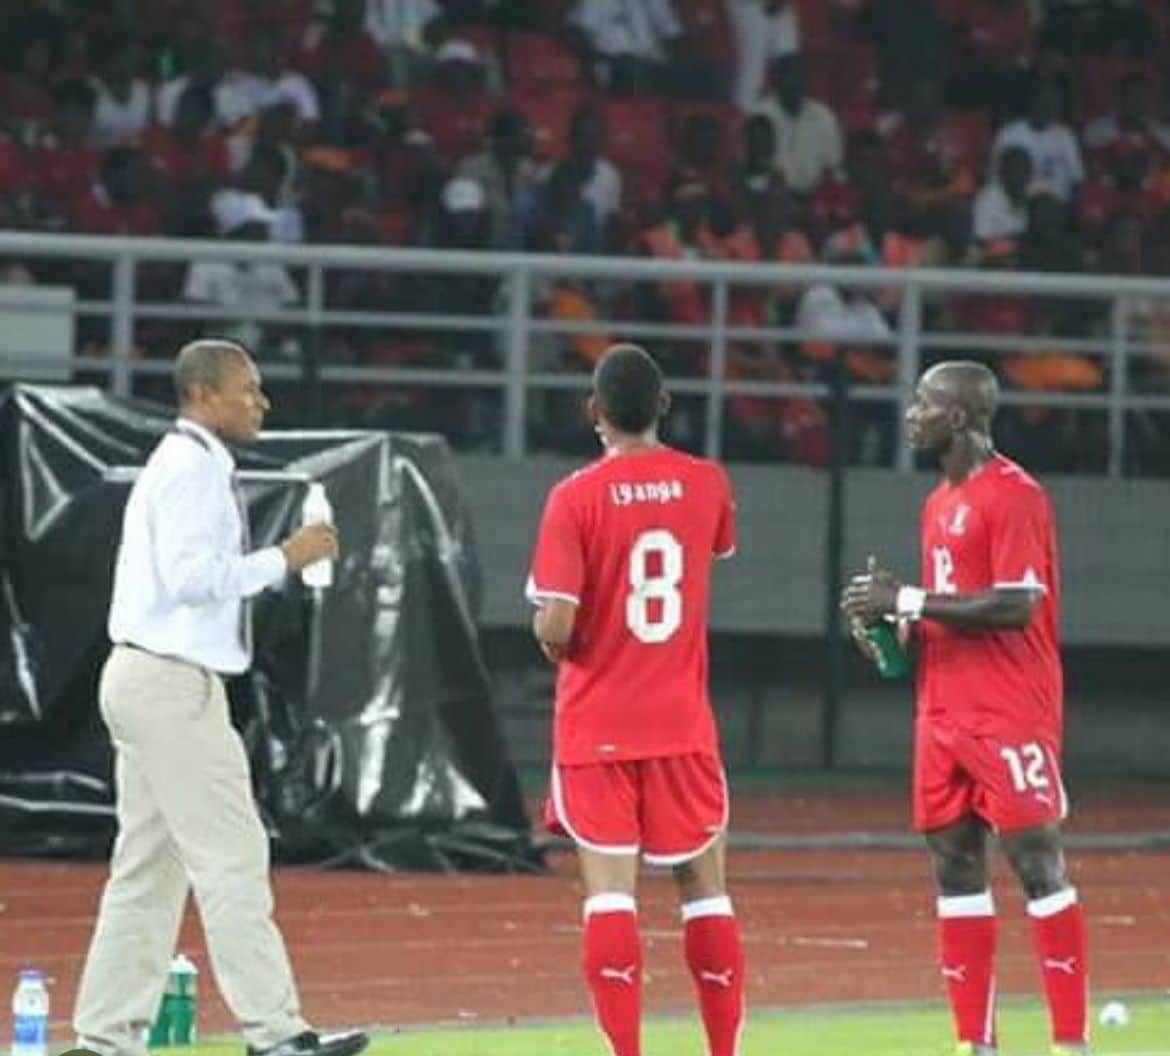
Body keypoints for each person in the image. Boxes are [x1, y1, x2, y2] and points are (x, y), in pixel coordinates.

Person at [73, 339, 369, 1056]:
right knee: (231, 857)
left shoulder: (188, 463)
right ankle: (276, 1035)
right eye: (248, 388)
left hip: (143, 676)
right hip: (172, 684)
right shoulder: (192, 470)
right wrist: (286, 558)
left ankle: (102, 1038)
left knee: (146, 871)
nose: (261, 401)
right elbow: (190, 578)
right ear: (202, 395)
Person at [841, 361, 1090, 1056]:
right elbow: (945, 611)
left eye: (922, 402)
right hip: (942, 714)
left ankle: (1070, 1042)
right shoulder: (936, 503)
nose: (909, 412)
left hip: (1009, 709)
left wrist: (908, 601)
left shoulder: (1014, 496)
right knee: (954, 866)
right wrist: (894, 634)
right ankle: (973, 1043)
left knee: (1038, 862)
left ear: (956, 417)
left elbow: (1017, 604)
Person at [526, 344, 744, 1056]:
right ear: (664, 407)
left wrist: (549, 635)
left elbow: (557, 624)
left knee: (611, 896)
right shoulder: (706, 482)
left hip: (598, 725)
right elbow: (706, 555)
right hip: (682, 722)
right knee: (705, 892)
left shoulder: (574, 497)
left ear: (594, 412)